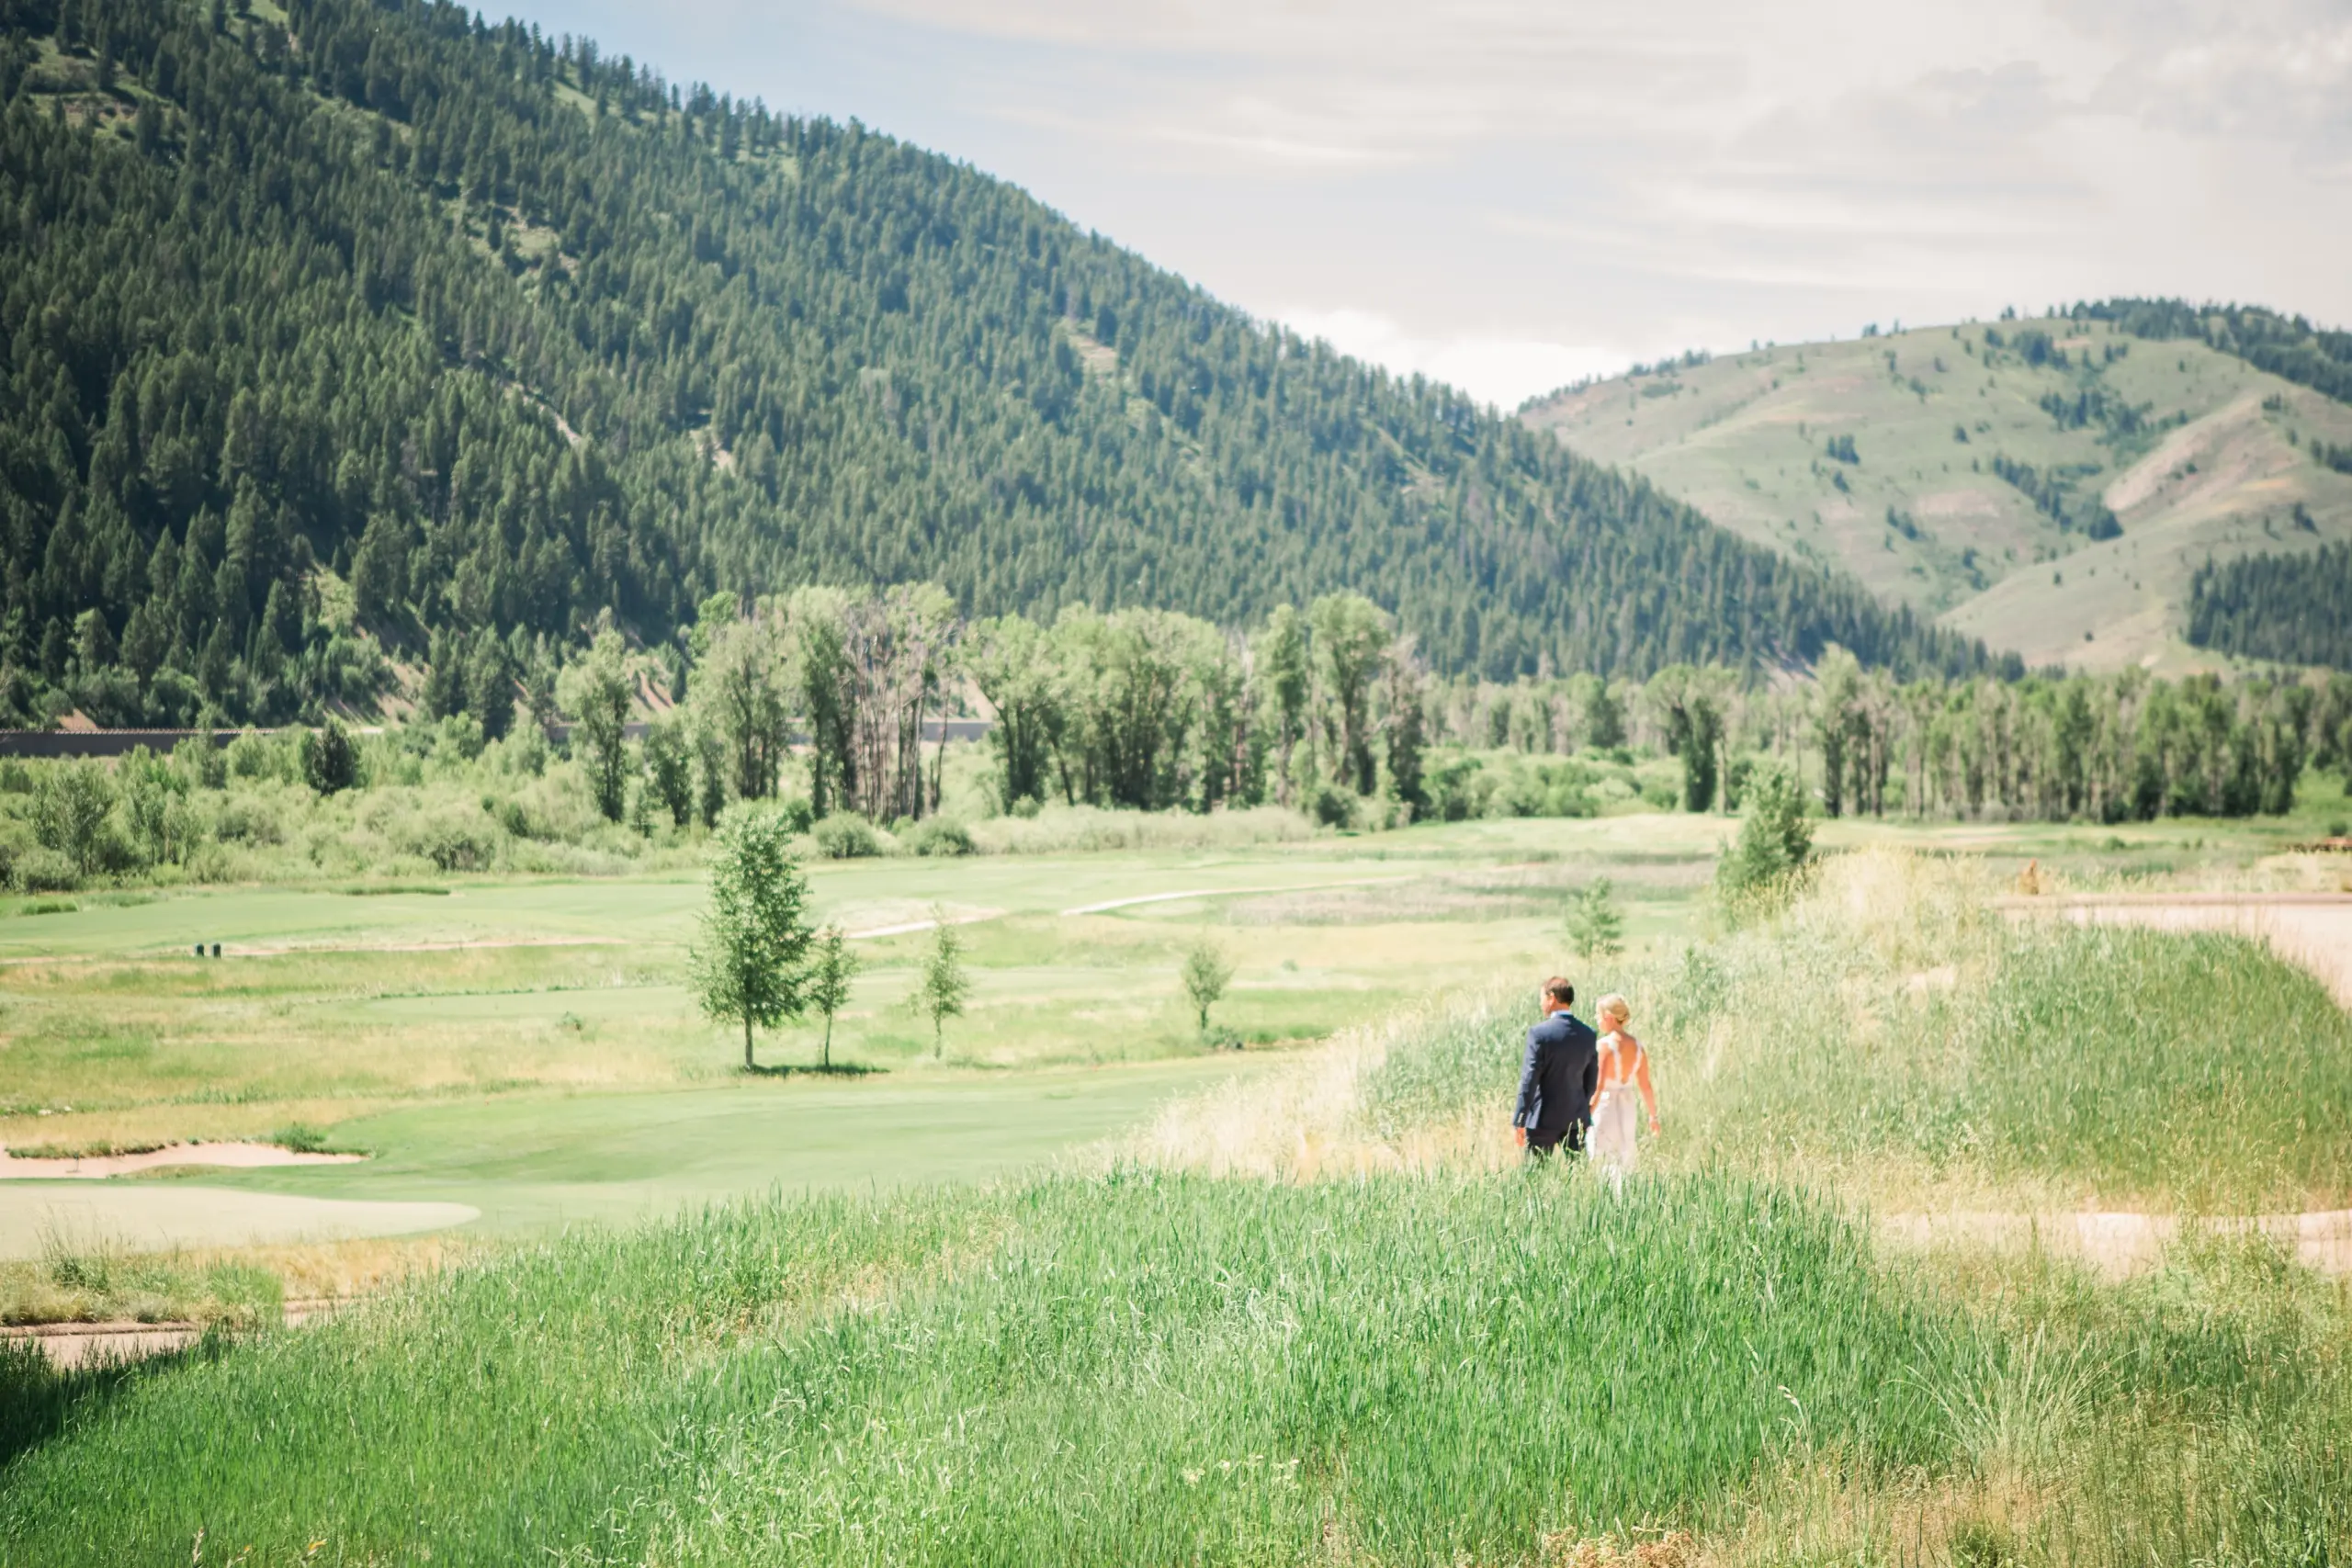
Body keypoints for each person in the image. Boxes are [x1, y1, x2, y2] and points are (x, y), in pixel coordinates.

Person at [1512, 976, 1597, 1160]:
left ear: (1552, 998)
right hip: (1576, 1118)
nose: (1541, 1004)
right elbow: (1591, 1081)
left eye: (1542, 998)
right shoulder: (1588, 1034)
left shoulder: (1539, 1034)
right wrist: (1581, 1106)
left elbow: (1530, 1078)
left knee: (1536, 1178)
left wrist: (1520, 1118)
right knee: (1578, 1176)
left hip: (1542, 1118)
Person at [1588, 993, 1659, 1184]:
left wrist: (1587, 1113)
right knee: (1624, 1155)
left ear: (1609, 1017)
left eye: (1598, 1015)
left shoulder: (1604, 1046)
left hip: (1606, 1104)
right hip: (1627, 1105)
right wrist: (1653, 1115)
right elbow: (1645, 1085)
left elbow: (1599, 1085)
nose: (1597, 1020)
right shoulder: (1637, 1047)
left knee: (1602, 1155)